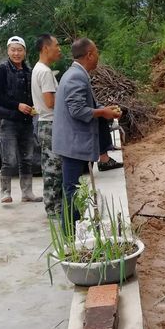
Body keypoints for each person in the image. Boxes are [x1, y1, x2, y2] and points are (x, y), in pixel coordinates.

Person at [52, 37, 121, 230]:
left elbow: (83, 105)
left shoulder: (75, 73)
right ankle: (70, 236)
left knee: (71, 189)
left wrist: (104, 109)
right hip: (72, 144)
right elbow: (77, 110)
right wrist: (103, 112)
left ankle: (71, 234)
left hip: (71, 143)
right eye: (96, 52)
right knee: (71, 191)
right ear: (89, 55)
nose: (98, 56)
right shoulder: (76, 76)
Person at [0, 36, 42, 205]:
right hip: (8, 121)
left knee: (27, 158)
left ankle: (27, 193)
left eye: (19, 50)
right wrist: (17, 106)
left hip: (26, 121)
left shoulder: (29, 71)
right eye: (13, 50)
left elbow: (34, 93)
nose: (16, 53)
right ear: (8, 51)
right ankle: (5, 192)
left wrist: (34, 106)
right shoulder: (2, 70)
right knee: (9, 159)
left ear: (25, 52)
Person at [31, 33, 63, 217]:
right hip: (50, 123)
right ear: (45, 48)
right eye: (56, 45)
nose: (59, 49)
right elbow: (50, 102)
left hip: (46, 123)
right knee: (54, 168)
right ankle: (53, 208)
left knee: (51, 166)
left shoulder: (39, 69)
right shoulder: (44, 72)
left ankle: (54, 206)